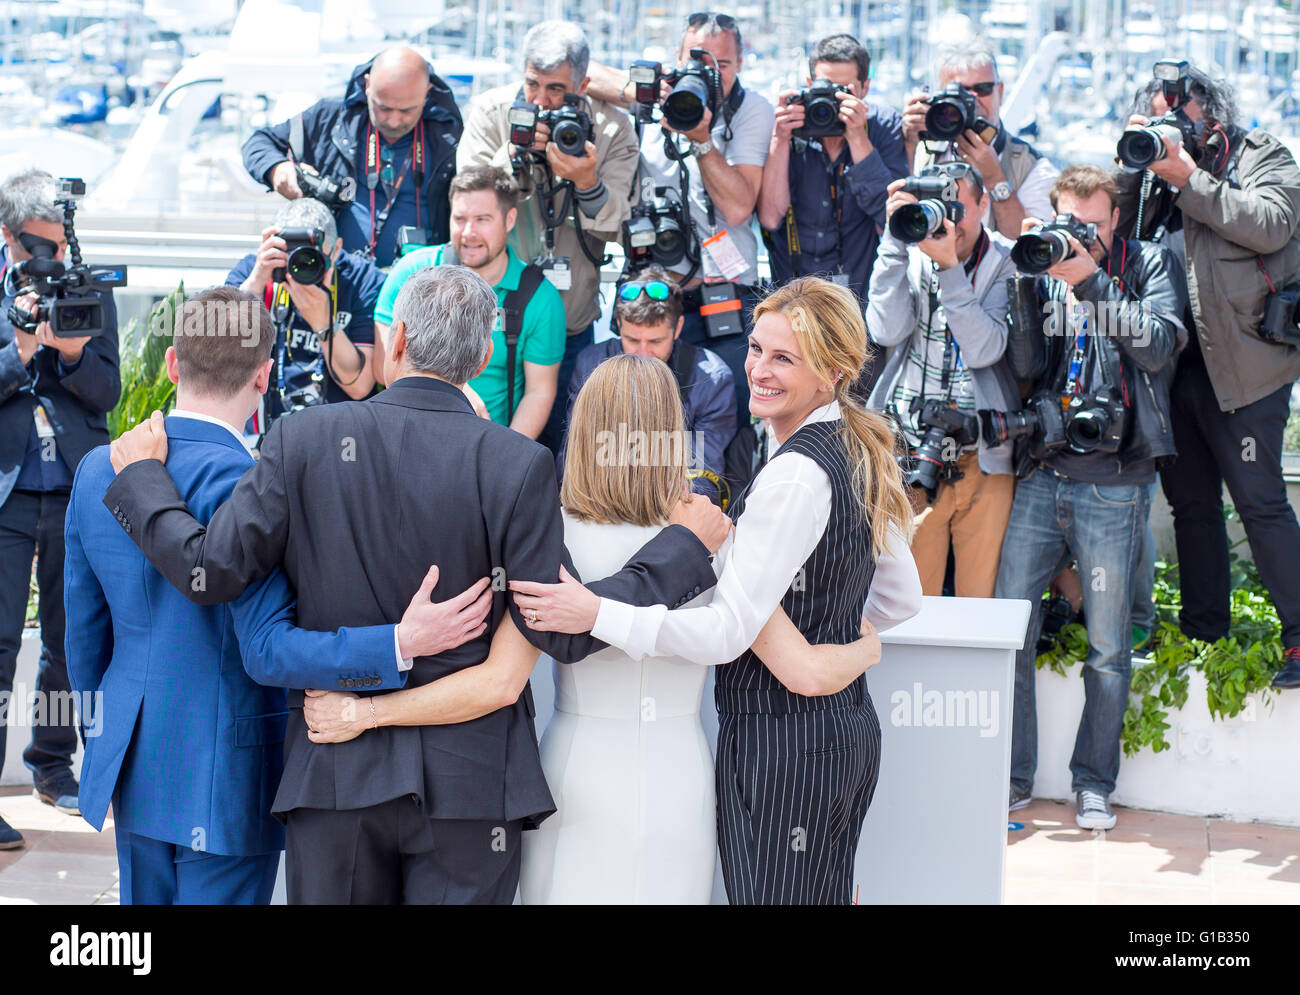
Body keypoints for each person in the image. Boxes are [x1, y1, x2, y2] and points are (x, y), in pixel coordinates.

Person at [102, 265, 728, 905]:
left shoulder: (303, 437)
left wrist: (144, 483)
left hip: (336, 780)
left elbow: (212, 572)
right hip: (471, 792)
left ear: (395, 340)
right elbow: (560, 623)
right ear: (484, 356)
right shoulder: (516, 463)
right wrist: (682, 549)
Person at [63, 286, 483, 903]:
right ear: (264, 376)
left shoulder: (100, 469)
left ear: (174, 365)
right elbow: (273, 648)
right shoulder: (257, 484)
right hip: (230, 770)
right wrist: (399, 643)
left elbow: (81, 636)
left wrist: (106, 729)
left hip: (133, 756)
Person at [511, 277, 922, 905]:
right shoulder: (839, 460)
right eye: (756, 349)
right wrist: (847, 644)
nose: (757, 368)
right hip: (799, 749)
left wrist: (600, 610)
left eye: (782, 357)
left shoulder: (768, 491)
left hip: (765, 754)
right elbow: (898, 599)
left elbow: (734, 632)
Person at [997, 164, 1185, 829]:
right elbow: (1023, 369)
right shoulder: (1047, 272)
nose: (1082, 237)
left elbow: (1159, 346)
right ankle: (1011, 777)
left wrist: (1093, 281)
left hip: (1116, 482)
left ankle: (1093, 782)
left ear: (1115, 219)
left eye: (1093, 225)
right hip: (1045, 473)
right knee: (1010, 632)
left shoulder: (1149, 263)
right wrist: (1028, 282)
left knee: (1108, 646)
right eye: (1069, 224)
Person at [1117, 63, 1300, 690]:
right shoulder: (1152, 171)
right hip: (1176, 371)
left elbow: (1270, 224)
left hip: (1248, 369)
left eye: (1177, 114)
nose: (1172, 128)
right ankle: (1204, 633)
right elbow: (1117, 232)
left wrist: (1188, 178)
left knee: (1260, 503)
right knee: (1191, 506)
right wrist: (1136, 159)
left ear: (1209, 111)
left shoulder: (1262, 155)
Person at [0, 168, 121, 847]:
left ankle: (55, 767)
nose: (51, 261)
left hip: (76, 486)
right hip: (8, 489)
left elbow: (107, 390)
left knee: (72, 640)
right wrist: (21, 349)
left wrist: (71, 355)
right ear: (8, 237)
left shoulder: (87, 288)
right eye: (37, 247)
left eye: (59, 246)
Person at [587, 11, 775, 429]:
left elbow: (739, 207)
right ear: (679, 58)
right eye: (700, 63)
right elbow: (584, 72)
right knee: (637, 421)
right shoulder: (655, 100)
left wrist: (703, 141)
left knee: (728, 420)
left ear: (740, 64)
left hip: (724, 295)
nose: (710, 74)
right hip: (652, 295)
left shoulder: (751, 110)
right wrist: (645, 91)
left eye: (722, 66)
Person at [458, 22, 638, 453]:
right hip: (492, 321)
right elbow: (466, 198)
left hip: (571, 319)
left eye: (557, 89)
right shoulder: (491, 111)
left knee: (564, 451)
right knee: (484, 445)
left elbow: (619, 224)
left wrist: (587, 182)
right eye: (532, 85)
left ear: (584, 83)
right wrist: (514, 155)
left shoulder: (612, 129)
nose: (540, 102)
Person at [866, 162, 1019, 597]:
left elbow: (985, 349)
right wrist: (894, 242)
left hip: (982, 453)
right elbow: (885, 331)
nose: (949, 223)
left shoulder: (1007, 262)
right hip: (912, 449)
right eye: (939, 209)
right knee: (913, 599)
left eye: (959, 210)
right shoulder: (911, 254)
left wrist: (950, 269)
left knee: (978, 597)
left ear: (984, 205)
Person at [758, 33, 909, 395]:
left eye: (847, 90)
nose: (835, 101)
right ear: (810, 84)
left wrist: (858, 138)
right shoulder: (791, 124)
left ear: (865, 88)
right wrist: (779, 140)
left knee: (856, 420)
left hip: (859, 312)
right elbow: (770, 217)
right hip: (792, 307)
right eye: (828, 88)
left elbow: (889, 218)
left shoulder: (882, 126)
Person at [374, 166, 566, 437]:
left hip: (488, 446)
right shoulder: (411, 272)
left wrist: (505, 457)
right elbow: (382, 365)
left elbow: (539, 393)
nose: (468, 233)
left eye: (482, 219)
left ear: (510, 219)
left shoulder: (539, 297)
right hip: (406, 436)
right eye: (460, 218)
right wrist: (455, 391)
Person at [241, 46, 462, 267]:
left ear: (427, 93)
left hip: (419, 287)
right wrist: (276, 168)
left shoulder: (450, 139)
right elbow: (259, 143)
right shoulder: (329, 119)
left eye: (406, 111)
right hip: (334, 278)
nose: (393, 121)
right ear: (367, 86)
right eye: (383, 107)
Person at [559, 267, 736, 503]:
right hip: (602, 505)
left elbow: (704, 478)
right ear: (619, 325)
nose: (643, 353)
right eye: (632, 340)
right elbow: (573, 457)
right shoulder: (590, 365)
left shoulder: (712, 379)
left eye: (655, 341)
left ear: (678, 327)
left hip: (670, 512)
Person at [228, 198, 383, 431]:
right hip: (259, 438)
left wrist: (323, 323)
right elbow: (218, 362)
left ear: (337, 249)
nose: (300, 268)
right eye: (291, 257)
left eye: (313, 258)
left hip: (336, 438)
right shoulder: (256, 269)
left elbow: (360, 386)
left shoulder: (361, 281)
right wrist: (256, 284)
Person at [902, 46, 1059, 239]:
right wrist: (908, 145)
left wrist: (996, 180)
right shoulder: (922, 151)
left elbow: (1032, 248)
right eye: (960, 93)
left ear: (1000, 92)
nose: (973, 101)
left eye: (982, 89)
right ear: (938, 99)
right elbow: (895, 222)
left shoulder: (1033, 167)